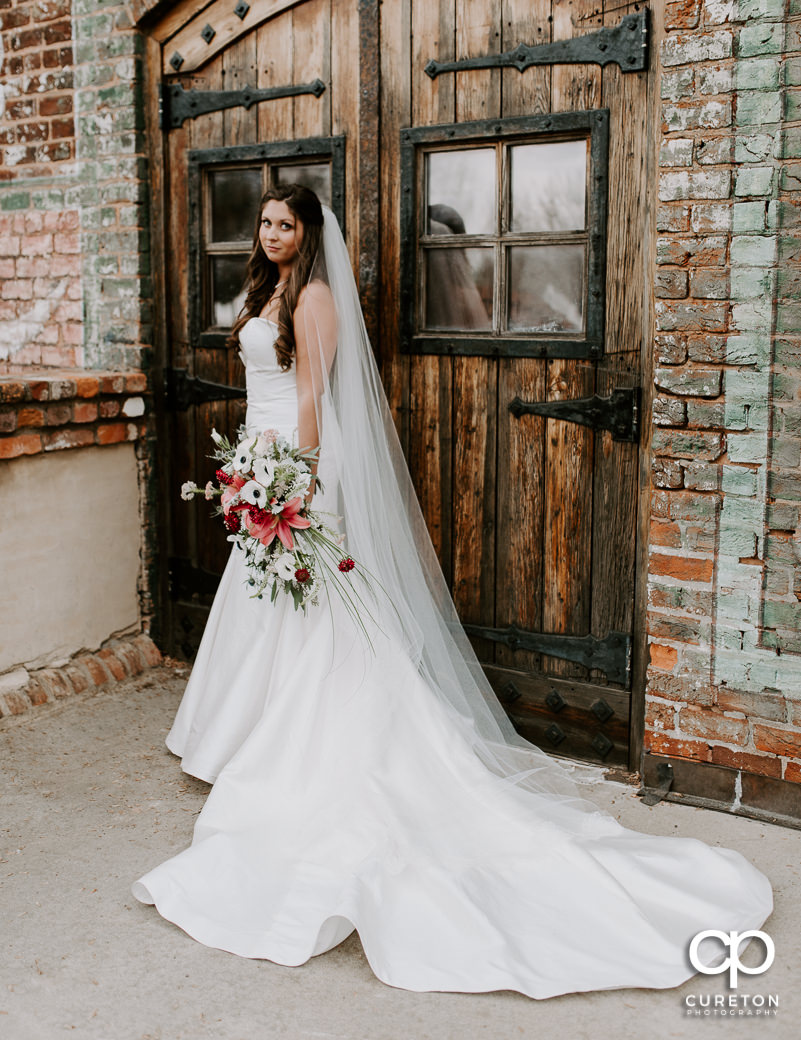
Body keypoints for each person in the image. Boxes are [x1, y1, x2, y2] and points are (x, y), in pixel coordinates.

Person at [132, 184, 772, 998]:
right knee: (264, 603)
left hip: (295, 462)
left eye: (284, 224)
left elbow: (310, 398)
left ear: (309, 233)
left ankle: (282, 744)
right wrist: (247, 475)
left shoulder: (318, 296)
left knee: (310, 611)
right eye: (263, 223)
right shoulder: (265, 291)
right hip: (258, 460)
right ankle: (237, 734)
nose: (270, 235)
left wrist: (291, 480)